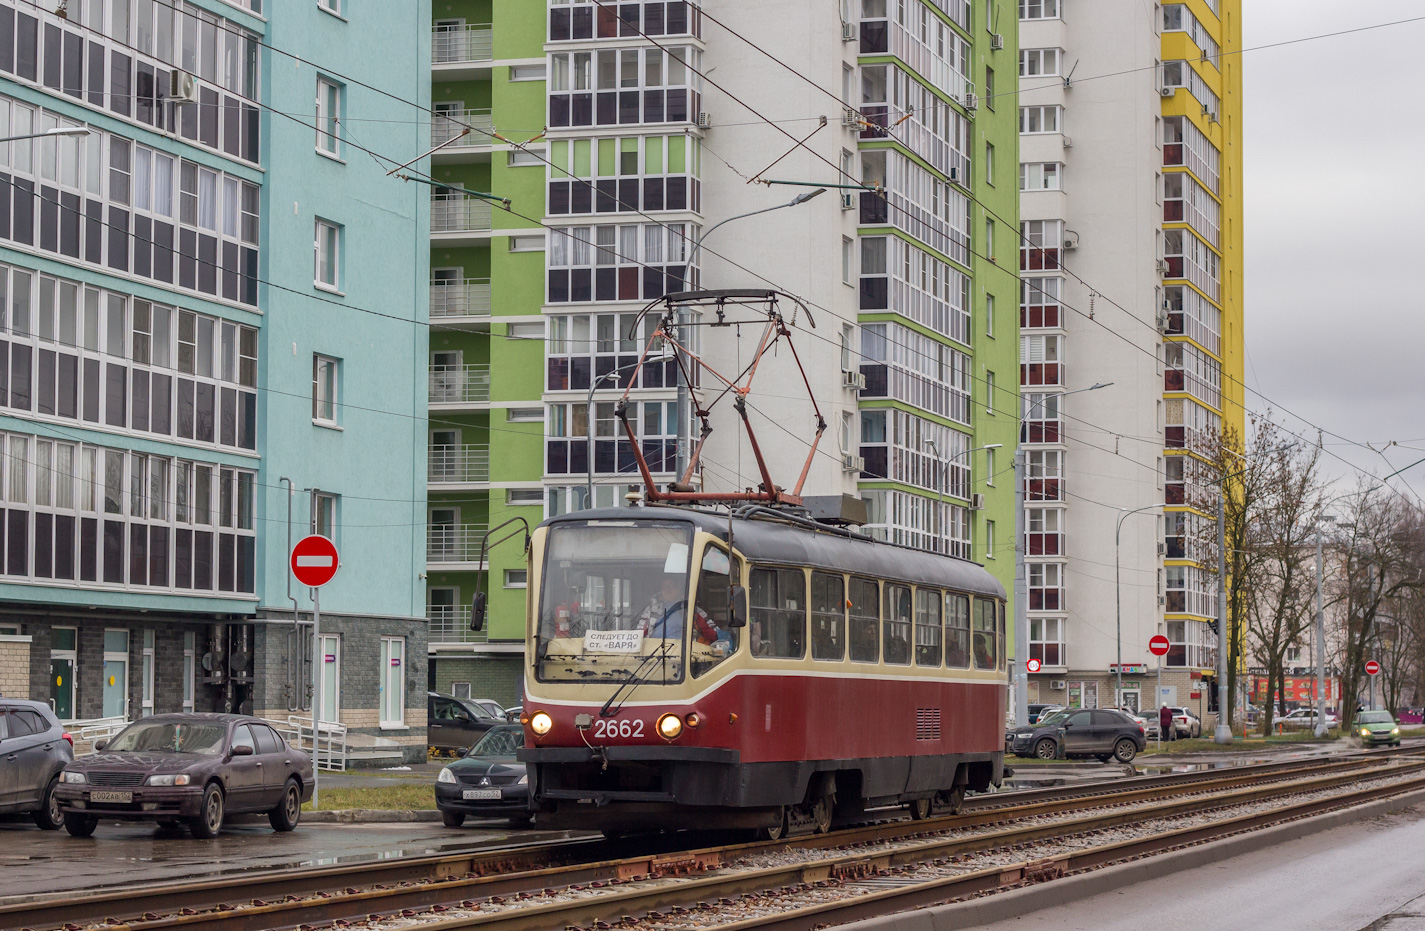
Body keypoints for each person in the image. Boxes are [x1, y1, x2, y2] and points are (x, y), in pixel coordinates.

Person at [638, 576, 717, 644]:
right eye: (664, 587)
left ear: (679, 590)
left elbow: (714, 633)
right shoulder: (651, 609)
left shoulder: (692, 609)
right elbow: (639, 633)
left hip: (685, 653)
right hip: (655, 653)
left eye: (672, 586)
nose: (668, 590)